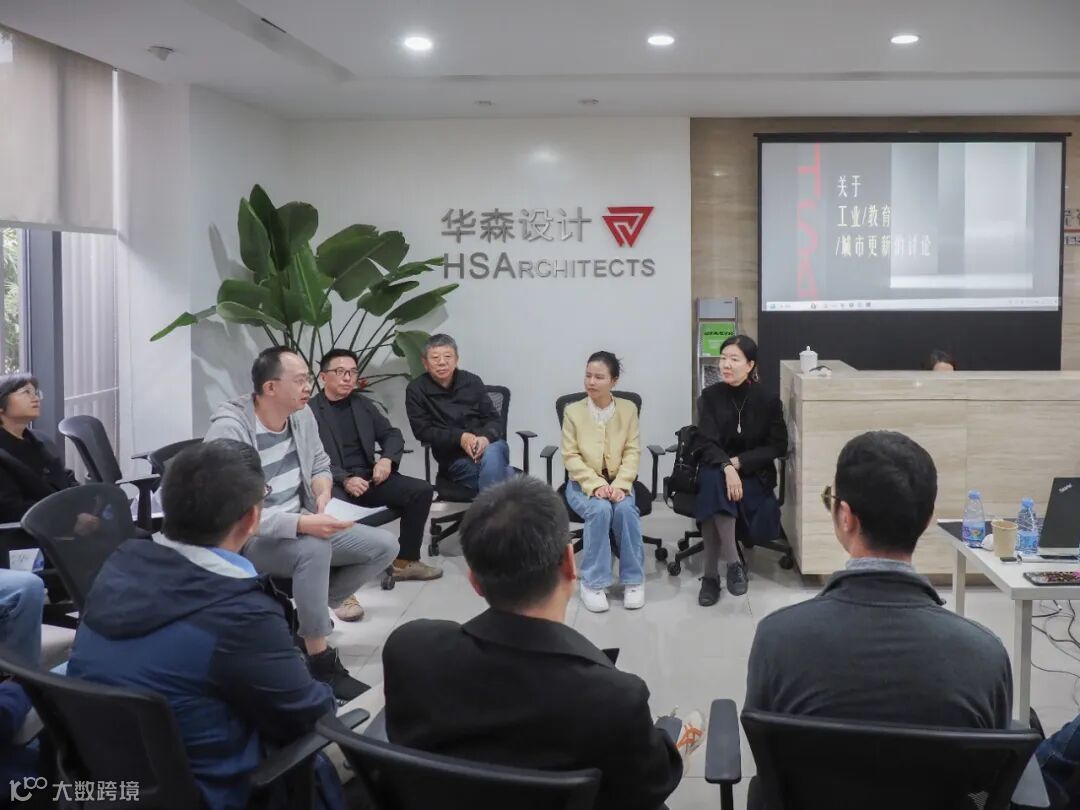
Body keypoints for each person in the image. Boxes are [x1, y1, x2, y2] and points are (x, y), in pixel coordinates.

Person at [382, 476, 695, 810]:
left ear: (474, 580)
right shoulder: (615, 697)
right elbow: (651, 788)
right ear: (570, 563)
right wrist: (671, 738)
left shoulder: (408, 650)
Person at [67, 440, 341, 810]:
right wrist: (322, 690)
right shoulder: (240, 613)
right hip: (215, 791)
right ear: (251, 519)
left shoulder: (120, 563)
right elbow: (309, 715)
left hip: (111, 783)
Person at [746, 430, 1012, 728]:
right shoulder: (985, 656)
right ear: (927, 521)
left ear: (845, 517)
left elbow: (764, 746)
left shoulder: (778, 640)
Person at [204, 347, 397, 701]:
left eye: (308, 378)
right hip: (250, 536)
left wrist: (322, 490)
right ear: (271, 387)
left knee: (385, 546)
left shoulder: (301, 414)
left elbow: (320, 462)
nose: (309, 386)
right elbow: (235, 511)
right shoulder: (230, 430)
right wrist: (301, 525)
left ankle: (312, 611)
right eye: (300, 380)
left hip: (304, 519)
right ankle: (320, 659)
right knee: (314, 548)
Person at [310, 349, 440, 582]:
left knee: (421, 491)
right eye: (340, 371)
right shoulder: (309, 412)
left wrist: (386, 459)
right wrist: (345, 479)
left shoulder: (362, 404)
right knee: (330, 510)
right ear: (323, 377)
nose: (347, 378)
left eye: (352, 372)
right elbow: (311, 458)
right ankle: (337, 581)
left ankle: (405, 561)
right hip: (334, 483)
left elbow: (391, 434)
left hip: (370, 479)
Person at [694, 335, 787, 605]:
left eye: (734, 359)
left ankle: (710, 577)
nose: (726, 364)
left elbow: (778, 446)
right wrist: (726, 467)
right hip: (716, 468)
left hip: (753, 474)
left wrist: (738, 463)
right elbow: (706, 441)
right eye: (723, 358)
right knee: (714, 480)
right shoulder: (710, 396)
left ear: (750, 365)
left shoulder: (767, 400)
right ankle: (733, 564)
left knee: (712, 490)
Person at [561, 351, 645, 612]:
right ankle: (593, 583)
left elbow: (632, 452)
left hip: (619, 482)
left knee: (626, 510)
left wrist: (620, 485)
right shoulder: (573, 411)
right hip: (582, 484)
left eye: (599, 377)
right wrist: (595, 485)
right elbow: (570, 456)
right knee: (599, 509)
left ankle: (634, 580)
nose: (591, 382)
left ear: (614, 381)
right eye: (588, 375)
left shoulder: (628, 409)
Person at [405, 334, 513, 494]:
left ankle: (490, 508)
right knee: (510, 478)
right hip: (455, 459)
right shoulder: (417, 390)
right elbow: (423, 431)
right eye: (435, 358)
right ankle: (504, 496)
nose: (442, 362)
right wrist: (460, 438)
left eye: (448, 356)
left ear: (456, 359)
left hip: (490, 446)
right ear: (425, 363)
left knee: (492, 453)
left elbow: (494, 420)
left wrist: (484, 438)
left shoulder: (472, 381)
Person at [0, 373, 76, 523]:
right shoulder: (4, 453)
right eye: (26, 392)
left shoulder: (40, 440)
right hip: (29, 532)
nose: (35, 398)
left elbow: (65, 478)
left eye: (35, 393)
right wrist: (70, 519)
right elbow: (10, 509)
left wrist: (83, 505)